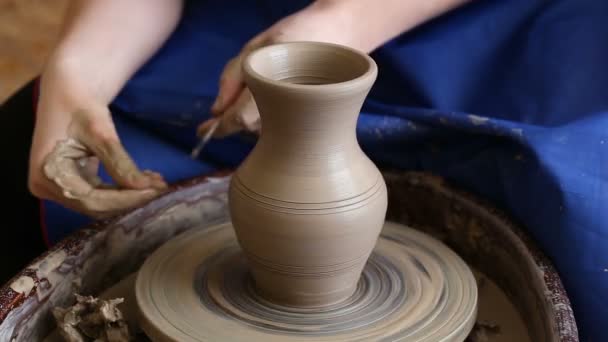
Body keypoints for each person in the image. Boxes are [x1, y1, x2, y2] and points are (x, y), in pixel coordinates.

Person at [28, 0, 607, 340]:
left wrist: (347, 20)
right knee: (62, 176)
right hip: (238, 32)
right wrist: (76, 74)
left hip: (489, 36)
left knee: (574, 211)